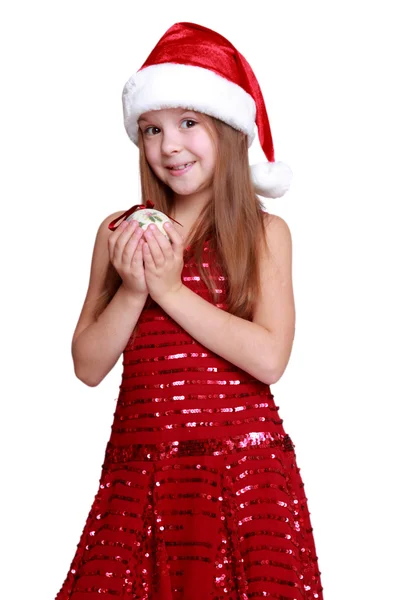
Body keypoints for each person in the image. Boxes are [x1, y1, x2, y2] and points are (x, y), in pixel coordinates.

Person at [55, 22, 323, 600]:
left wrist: (170, 291)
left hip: (240, 478)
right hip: (140, 476)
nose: (168, 145)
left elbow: (271, 358)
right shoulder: (119, 234)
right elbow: (87, 364)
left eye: (188, 123)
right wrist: (133, 289)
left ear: (226, 130)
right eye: (151, 129)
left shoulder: (263, 235)